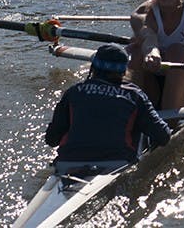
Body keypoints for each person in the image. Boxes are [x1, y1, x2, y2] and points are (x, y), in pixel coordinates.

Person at [44, 43, 171, 173]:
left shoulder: (73, 92)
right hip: (117, 164)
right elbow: (163, 136)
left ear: (93, 68)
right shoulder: (135, 95)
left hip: (67, 164)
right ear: (123, 71)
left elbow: (51, 139)